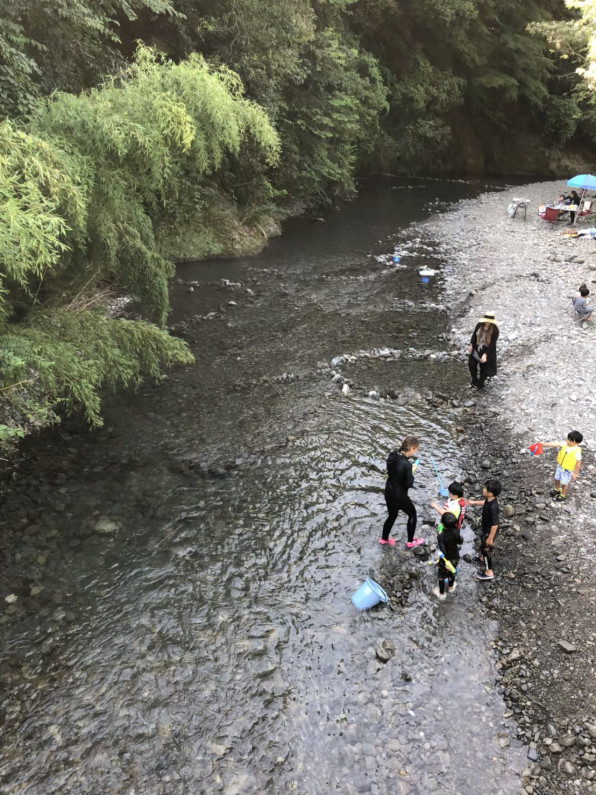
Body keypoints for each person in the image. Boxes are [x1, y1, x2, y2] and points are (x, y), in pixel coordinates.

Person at [380, 436, 425, 548]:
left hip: (389, 491)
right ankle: (410, 541)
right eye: (416, 449)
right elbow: (409, 484)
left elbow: (396, 470)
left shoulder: (393, 455)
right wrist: (412, 472)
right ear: (412, 449)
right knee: (412, 514)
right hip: (399, 495)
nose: (415, 452)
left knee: (392, 515)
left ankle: (384, 539)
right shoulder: (407, 465)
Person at [466, 478, 501, 581]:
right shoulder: (490, 500)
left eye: (485, 488)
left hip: (490, 531)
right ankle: (482, 558)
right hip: (486, 529)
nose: (483, 489)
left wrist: (490, 538)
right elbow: (485, 502)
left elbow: (495, 524)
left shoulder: (494, 507)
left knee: (486, 549)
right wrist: (474, 503)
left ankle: (489, 572)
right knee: (483, 545)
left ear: (490, 493)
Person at [542, 430, 583, 501]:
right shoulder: (565, 444)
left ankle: (563, 494)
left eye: (571, 441)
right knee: (556, 478)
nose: (568, 441)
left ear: (577, 443)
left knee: (564, 482)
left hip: (567, 470)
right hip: (560, 466)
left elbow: (578, 463)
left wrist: (575, 473)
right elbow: (555, 443)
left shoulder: (576, 451)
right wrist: (543, 444)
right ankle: (557, 489)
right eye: (568, 439)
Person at [433, 511, 463, 600]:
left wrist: (439, 534)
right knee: (452, 573)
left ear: (442, 523)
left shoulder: (441, 536)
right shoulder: (456, 531)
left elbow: (443, 551)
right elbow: (460, 541)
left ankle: (441, 594)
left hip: (446, 560)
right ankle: (451, 588)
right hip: (455, 558)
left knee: (441, 577)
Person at [468, 312, 499, 390]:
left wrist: (485, 354)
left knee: (484, 368)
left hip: (487, 350)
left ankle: (480, 384)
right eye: (486, 321)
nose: (486, 322)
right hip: (476, 348)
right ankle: (474, 381)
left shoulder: (495, 330)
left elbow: (492, 344)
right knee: (471, 365)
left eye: (488, 321)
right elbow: (474, 335)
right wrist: (471, 344)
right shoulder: (479, 325)